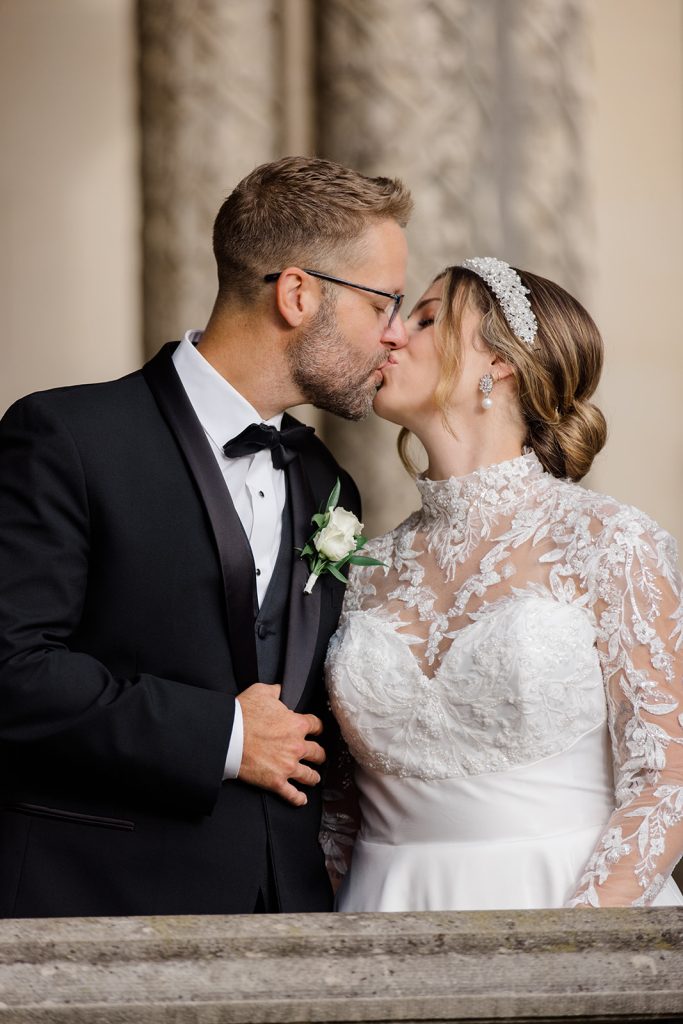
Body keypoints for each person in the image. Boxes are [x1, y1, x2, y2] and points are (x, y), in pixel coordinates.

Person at [0, 156, 412, 917]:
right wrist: (221, 735)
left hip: (288, 915)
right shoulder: (68, 436)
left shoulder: (326, 480)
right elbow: (12, 669)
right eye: (384, 302)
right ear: (298, 294)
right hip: (96, 901)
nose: (395, 336)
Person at [322, 257, 683, 910]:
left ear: (500, 361)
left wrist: (576, 943)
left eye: (427, 319)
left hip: (566, 911)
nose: (392, 333)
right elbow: (338, 811)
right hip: (379, 919)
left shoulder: (607, 542)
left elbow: (664, 777)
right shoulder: (363, 569)